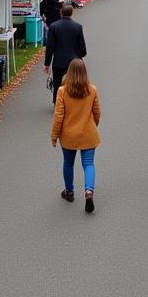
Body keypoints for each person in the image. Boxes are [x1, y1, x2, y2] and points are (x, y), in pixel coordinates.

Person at [51, 58, 101, 213]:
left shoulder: (62, 91)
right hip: (88, 134)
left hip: (69, 135)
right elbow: (97, 113)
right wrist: (93, 125)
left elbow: (59, 116)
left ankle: (69, 191)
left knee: (68, 163)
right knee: (88, 164)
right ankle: (89, 191)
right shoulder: (92, 90)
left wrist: (54, 136)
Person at [44, 4, 87, 99]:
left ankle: (57, 102)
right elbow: (83, 48)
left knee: (57, 84)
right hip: (73, 62)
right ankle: (72, 100)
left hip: (58, 61)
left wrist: (47, 63)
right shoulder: (78, 27)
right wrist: (78, 56)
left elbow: (50, 47)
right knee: (74, 83)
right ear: (72, 13)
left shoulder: (53, 27)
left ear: (61, 13)